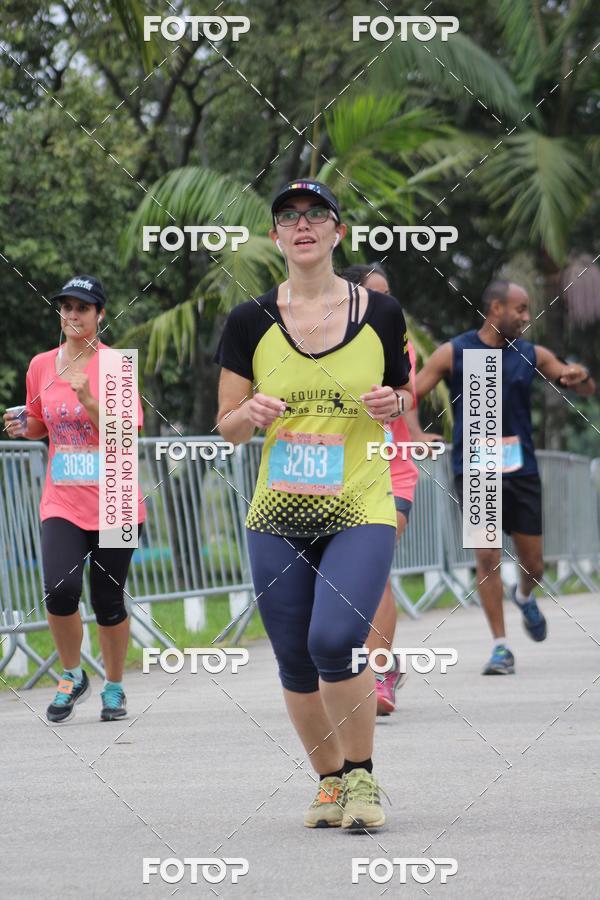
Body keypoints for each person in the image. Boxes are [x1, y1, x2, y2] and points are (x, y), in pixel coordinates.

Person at [215, 181, 413, 831]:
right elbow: (227, 426)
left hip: (360, 500)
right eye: (288, 217)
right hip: (278, 510)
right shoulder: (249, 321)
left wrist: (394, 405)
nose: (302, 224)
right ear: (276, 237)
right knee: (294, 658)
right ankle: (329, 783)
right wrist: (248, 411)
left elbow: (404, 397)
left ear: (338, 232)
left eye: (316, 215)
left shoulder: (381, 315)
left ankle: (363, 778)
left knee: (334, 638)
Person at [415, 280, 596, 674]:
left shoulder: (530, 354)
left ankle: (525, 595)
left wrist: (577, 375)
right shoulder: (456, 351)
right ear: (495, 309)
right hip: (477, 468)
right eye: (521, 309)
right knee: (487, 556)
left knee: (534, 565)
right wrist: (413, 432)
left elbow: (579, 383)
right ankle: (500, 646)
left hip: (522, 470)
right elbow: (409, 394)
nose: (527, 318)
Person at [3, 275, 146, 721]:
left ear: (100, 315)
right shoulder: (41, 365)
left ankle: (115, 687)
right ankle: (71, 675)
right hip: (61, 498)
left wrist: (89, 401)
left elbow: (127, 434)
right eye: (66, 307)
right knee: (60, 591)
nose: (72, 315)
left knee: (108, 600)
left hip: (117, 496)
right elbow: (41, 422)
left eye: (82, 308)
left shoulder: (117, 365)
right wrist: (24, 426)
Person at [341, 263, 443, 715]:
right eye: (374, 295)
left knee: (375, 569)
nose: (386, 304)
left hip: (391, 469)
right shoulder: (320, 342)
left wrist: (417, 436)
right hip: (338, 474)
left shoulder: (396, 343)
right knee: (342, 579)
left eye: (388, 295)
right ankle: (361, 664)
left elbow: (407, 398)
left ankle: (380, 674)